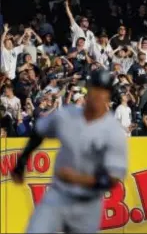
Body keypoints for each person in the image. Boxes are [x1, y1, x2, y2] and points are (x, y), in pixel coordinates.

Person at [10, 69, 128, 233]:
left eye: (103, 90)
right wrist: (21, 162)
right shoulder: (67, 115)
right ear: (88, 89)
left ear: (108, 95)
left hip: (88, 204)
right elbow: (39, 130)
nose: (98, 94)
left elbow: (113, 178)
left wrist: (77, 178)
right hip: (58, 196)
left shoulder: (113, 131)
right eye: (95, 88)